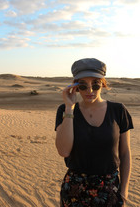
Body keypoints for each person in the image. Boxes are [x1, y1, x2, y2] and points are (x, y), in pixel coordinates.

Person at [55, 58, 133, 206]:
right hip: (74, 189)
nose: (90, 91)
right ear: (76, 87)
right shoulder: (64, 110)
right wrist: (69, 108)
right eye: (83, 86)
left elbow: (125, 153)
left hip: (109, 189)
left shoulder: (118, 110)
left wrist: (124, 190)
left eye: (95, 85)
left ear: (103, 84)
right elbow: (64, 151)